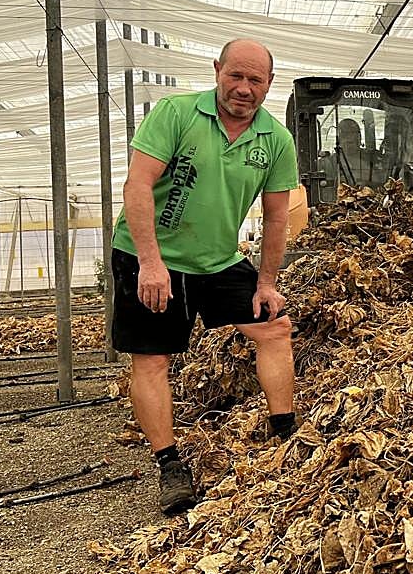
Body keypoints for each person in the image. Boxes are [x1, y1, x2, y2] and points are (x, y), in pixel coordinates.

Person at [111, 38, 301, 515]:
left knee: (274, 328)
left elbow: (277, 218)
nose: (244, 88)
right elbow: (138, 185)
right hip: (150, 255)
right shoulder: (176, 115)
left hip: (217, 259)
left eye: (255, 80)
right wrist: (151, 263)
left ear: (269, 84)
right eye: (235, 75)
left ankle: (286, 436)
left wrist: (266, 282)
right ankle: (170, 466)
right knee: (152, 359)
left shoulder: (276, 141)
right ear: (217, 70)